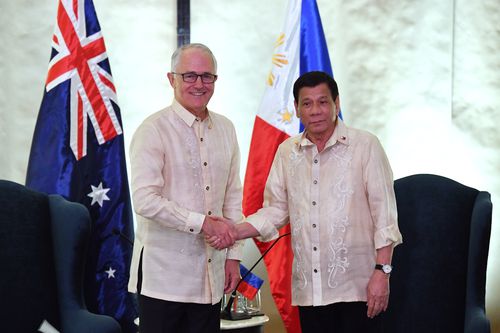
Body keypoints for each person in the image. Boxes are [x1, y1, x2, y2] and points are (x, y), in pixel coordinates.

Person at [209, 71, 402, 333]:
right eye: (307, 103)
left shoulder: (365, 146)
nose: (316, 111)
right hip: (311, 291)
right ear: (297, 109)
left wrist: (383, 272)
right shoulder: (287, 152)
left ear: (337, 104)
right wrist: (234, 230)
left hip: (359, 288)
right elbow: (275, 210)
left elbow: (385, 217)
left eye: (323, 102)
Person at [128, 43, 243, 333]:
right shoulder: (152, 130)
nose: (199, 84)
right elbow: (144, 200)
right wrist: (203, 223)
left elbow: (232, 198)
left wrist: (234, 256)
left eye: (207, 76)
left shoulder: (227, 129)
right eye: (189, 75)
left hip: (211, 277)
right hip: (164, 279)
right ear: (172, 79)